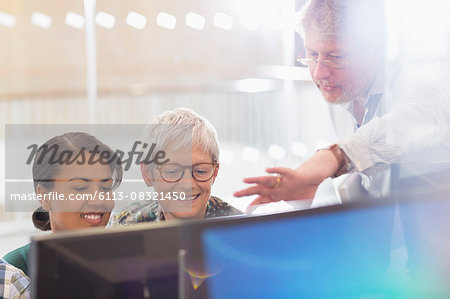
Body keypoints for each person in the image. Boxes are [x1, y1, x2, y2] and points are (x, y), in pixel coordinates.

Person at [234, 0, 450, 206]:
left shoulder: (413, 76)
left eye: (335, 56)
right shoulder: (341, 90)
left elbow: (413, 119)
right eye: (312, 54)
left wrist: (335, 157)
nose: (319, 72)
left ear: (375, 50)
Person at [3, 132, 123, 276]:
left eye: (105, 188)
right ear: (45, 197)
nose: (97, 200)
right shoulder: (15, 271)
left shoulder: (131, 259)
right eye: (80, 188)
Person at [110, 108, 241, 226]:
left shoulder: (240, 229)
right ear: (147, 173)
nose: (187, 184)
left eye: (200, 171)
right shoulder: (124, 225)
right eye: (172, 171)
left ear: (215, 172)